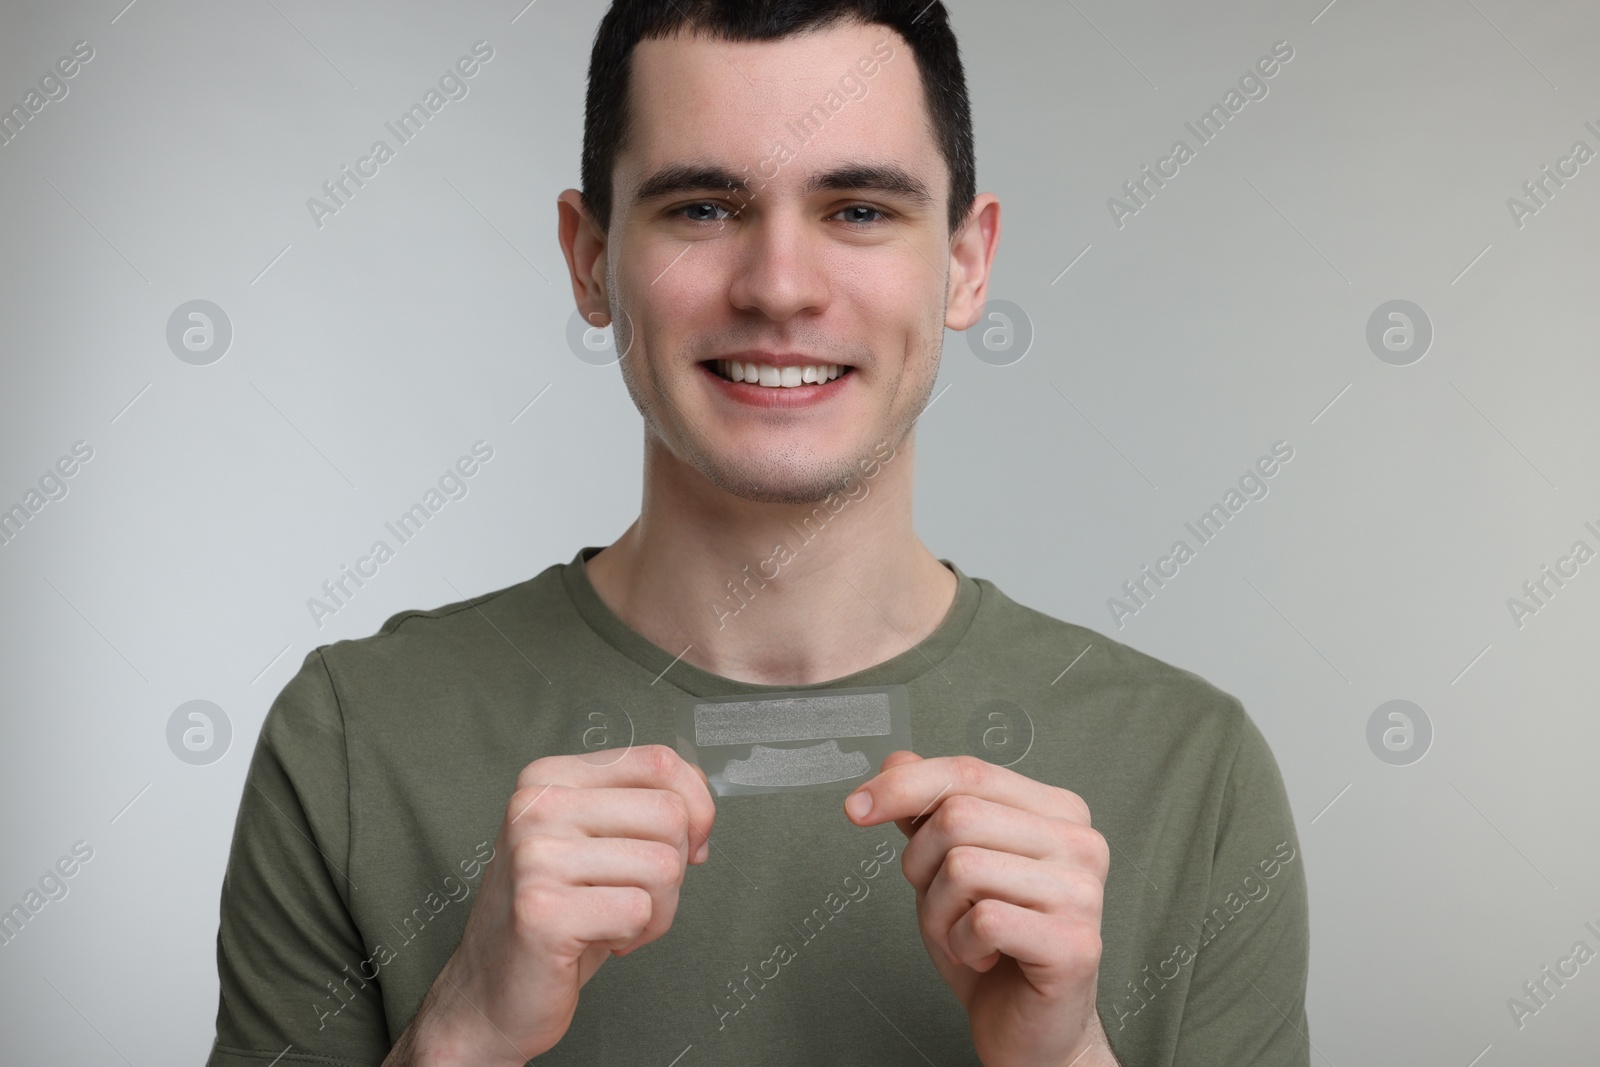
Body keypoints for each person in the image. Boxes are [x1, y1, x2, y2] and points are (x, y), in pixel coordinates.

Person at [205, 2, 1310, 1064]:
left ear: (967, 264)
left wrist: (1063, 1055)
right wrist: (461, 1036)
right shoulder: (351, 742)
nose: (779, 288)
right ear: (590, 259)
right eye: (702, 208)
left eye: (859, 210)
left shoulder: (1194, 772)